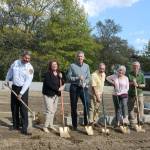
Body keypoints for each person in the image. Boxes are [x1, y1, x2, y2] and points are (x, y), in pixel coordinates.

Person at [5, 51, 34, 135]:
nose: (27, 60)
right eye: (26, 58)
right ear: (22, 57)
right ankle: (15, 125)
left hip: (23, 89)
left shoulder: (30, 68)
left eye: (28, 58)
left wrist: (21, 93)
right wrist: (7, 79)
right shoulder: (15, 63)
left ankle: (24, 128)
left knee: (23, 108)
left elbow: (28, 82)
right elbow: (10, 71)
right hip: (14, 87)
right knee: (14, 107)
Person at [67, 51, 90, 130]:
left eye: (81, 56)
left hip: (83, 87)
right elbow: (69, 77)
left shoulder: (87, 66)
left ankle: (86, 123)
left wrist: (85, 82)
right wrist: (77, 78)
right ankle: (74, 125)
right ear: (76, 57)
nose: (80, 58)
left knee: (87, 104)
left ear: (84, 57)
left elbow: (88, 78)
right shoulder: (72, 66)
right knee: (74, 106)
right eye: (79, 56)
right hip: (74, 87)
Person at [42, 60, 64, 133]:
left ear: (57, 65)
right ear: (50, 66)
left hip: (56, 95)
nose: (54, 65)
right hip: (48, 94)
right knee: (49, 110)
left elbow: (62, 83)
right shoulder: (47, 74)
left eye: (56, 64)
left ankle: (51, 125)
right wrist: (58, 88)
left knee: (54, 110)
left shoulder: (59, 74)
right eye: (53, 64)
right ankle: (45, 126)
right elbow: (49, 84)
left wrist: (62, 78)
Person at [127, 61, 145, 127]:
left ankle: (140, 120)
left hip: (139, 93)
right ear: (132, 67)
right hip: (131, 94)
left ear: (139, 67)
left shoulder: (141, 74)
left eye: (137, 66)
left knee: (140, 106)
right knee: (130, 107)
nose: (135, 67)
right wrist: (132, 83)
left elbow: (144, 85)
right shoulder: (129, 74)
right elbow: (126, 83)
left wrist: (138, 85)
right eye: (134, 66)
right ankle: (132, 122)